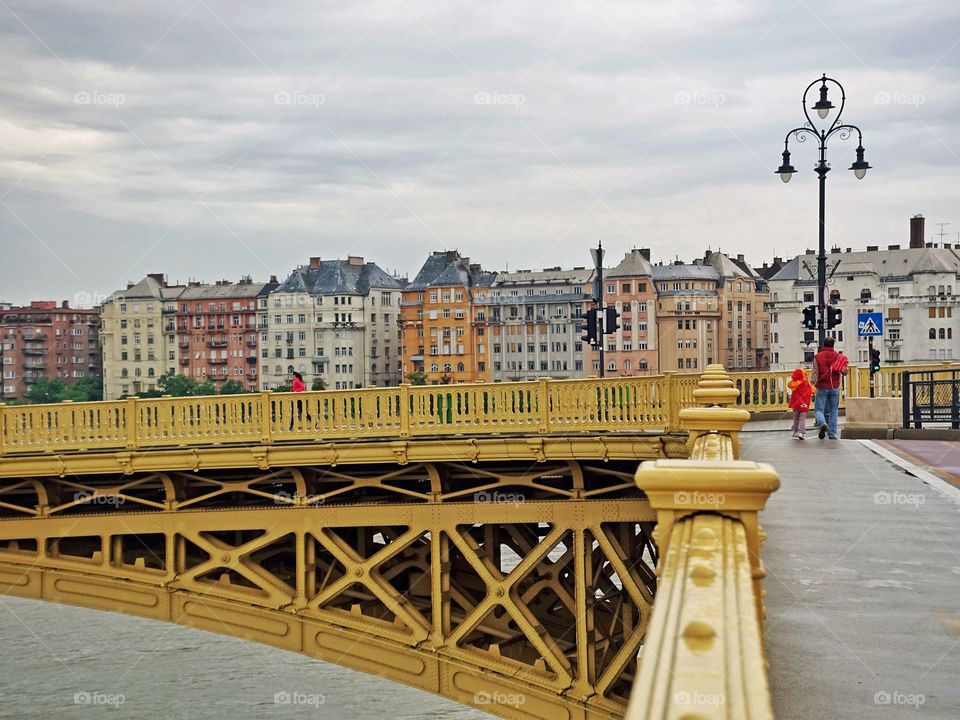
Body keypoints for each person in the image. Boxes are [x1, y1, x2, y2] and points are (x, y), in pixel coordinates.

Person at [813, 338, 847, 439]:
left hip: (822, 386)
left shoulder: (817, 357)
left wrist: (813, 384)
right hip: (834, 386)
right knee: (834, 410)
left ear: (823, 345)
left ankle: (822, 423)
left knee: (819, 410)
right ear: (833, 345)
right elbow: (844, 371)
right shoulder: (838, 356)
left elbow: (815, 373)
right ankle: (832, 434)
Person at [787, 367, 815, 440]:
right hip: (804, 404)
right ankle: (801, 432)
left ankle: (795, 431)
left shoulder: (795, 383)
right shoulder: (806, 383)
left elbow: (789, 385)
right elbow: (813, 390)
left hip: (796, 404)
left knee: (796, 418)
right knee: (802, 418)